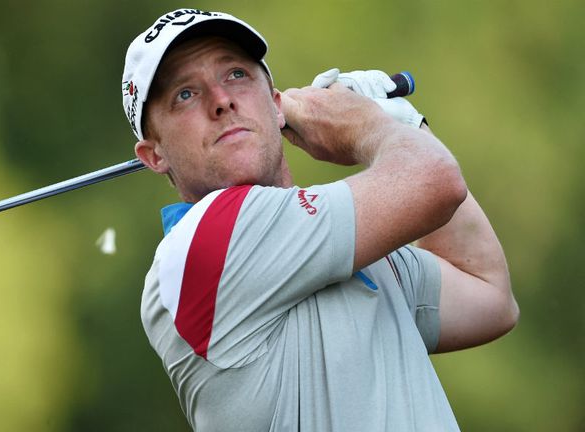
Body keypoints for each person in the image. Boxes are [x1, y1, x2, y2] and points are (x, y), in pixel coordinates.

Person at [122, 8, 518, 431]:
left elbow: (489, 297)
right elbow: (436, 180)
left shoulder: (342, 248)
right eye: (185, 94)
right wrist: (369, 123)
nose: (221, 101)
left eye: (236, 74)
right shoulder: (203, 245)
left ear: (277, 106)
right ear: (154, 155)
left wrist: (404, 124)